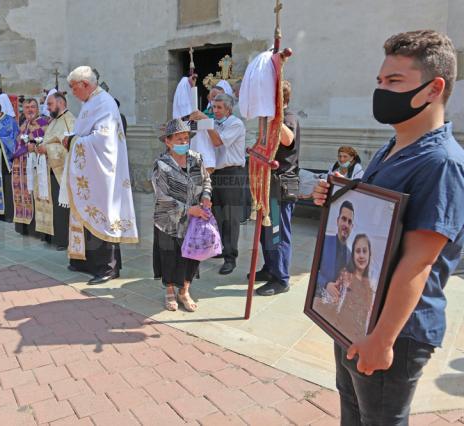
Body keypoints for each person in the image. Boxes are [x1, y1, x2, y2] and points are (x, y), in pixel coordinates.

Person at [312, 30, 464, 425]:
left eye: (394, 82)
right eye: (380, 81)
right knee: (353, 413)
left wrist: (382, 339)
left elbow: (419, 260)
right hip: (357, 314)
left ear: (434, 89)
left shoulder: (442, 163)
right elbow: (373, 221)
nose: (382, 91)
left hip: (396, 328)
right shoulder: (390, 147)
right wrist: (336, 198)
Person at [65, 65, 139, 284]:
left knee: (102, 214)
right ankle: (87, 262)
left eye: (74, 87)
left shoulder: (104, 102)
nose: (72, 92)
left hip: (103, 172)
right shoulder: (91, 101)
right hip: (91, 171)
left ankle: (108, 267)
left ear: (85, 85)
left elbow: (104, 141)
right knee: (88, 213)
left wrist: (71, 141)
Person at [152, 119, 212, 312]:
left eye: (186, 138)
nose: (183, 142)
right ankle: (170, 290)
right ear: (168, 142)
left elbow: (206, 180)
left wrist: (206, 196)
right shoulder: (161, 165)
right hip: (168, 220)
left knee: (192, 256)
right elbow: (162, 196)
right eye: (179, 139)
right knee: (169, 256)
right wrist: (188, 209)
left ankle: (184, 291)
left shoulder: (196, 159)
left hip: (193, 221)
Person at [253, 80, 301, 296]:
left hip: (280, 185)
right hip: (267, 183)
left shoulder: (288, 117)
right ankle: (270, 268)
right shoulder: (271, 120)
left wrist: (275, 117)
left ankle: (281, 279)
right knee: (266, 232)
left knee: (277, 234)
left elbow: (288, 139)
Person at [191, 93, 246, 275]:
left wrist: (206, 121)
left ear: (228, 109)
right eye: (213, 107)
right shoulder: (216, 123)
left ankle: (231, 258)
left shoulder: (235, 123)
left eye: (219, 108)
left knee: (231, 217)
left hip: (232, 173)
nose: (215, 111)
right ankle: (220, 248)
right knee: (217, 214)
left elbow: (217, 141)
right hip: (215, 173)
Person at [315, 234, 376, 344]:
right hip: (341, 334)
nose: (361, 255)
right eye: (358, 251)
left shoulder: (372, 286)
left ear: (369, 254)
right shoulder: (345, 276)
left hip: (360, 340)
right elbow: (330, 301)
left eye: (364, 251)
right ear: (353, 255)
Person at [34, 91, 75, 249]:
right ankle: (51, 235)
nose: (48, 107)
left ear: (61, 103)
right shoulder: (54, 121)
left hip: (61, 172)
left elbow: (70, 146)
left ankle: (63, 239)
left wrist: (48, 149)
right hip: (49, 169)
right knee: (51, 204)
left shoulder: (69, 120)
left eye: (50, 104)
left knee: (62, 207)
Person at [14, 97, 49, 236]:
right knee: (26, 195)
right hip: (23, 165)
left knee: (37, 195)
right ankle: (27, 226)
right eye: (27, 107)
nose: (30, 110)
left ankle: (40, 230)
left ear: (38, 108)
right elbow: (18, 143)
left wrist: (33, 147)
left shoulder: (43, 122)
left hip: (38, 167)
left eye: (32, 107)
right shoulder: (23, 124)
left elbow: (45, 142)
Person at [316, 200, 355, 296]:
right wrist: (326, 284)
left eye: (349, 222)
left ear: (352, 227)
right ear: (338, 221)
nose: (346, 224)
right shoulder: (324, 241)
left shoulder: (350, 255)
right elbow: (312, 271)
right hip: (318, 297)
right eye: (344, 219)